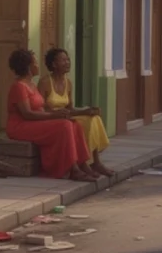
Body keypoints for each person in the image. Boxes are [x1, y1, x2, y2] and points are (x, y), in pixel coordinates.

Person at [5, 48, 97, 182]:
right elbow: (27, 114)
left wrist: (58, 113)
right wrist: (54, 116)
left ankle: (82, 164)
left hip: (33, 123)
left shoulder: (31, 85)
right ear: (28, 67)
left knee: (74, 124)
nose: (38, 66)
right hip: (20, 127)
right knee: (64, 125)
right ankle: (73, 169)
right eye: (35, 63)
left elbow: (40, 109)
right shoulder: (19, 86)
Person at [39, 48, 113, 178]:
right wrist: (58, 113)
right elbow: (40, 109)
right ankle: (83, 164)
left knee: (93, 118)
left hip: (66, 116)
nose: (67, 63)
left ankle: (95, 162)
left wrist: (87, 111)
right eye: (63, 60)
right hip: (52, 119)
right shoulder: (45, 82)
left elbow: (70, 109)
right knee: (78, 124)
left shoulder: (68, 83)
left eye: (68, 59)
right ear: (54, 64)